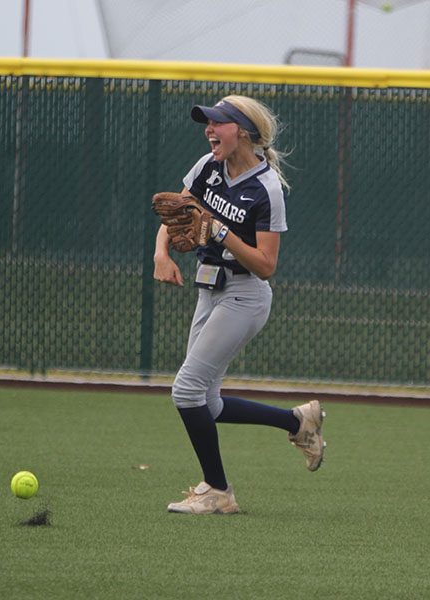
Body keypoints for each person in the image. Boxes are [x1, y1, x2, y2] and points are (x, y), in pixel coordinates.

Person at [153, 94, 326, 515]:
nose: (209, 129)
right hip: (209, 290)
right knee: (205, 402)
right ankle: (298, 422)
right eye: (206, 123)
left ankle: (217, 490)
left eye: (217, 123)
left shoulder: (266, 188)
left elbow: (266, 266)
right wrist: (161, 253)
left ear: (242, 132)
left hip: (245, 296)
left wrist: (219, 232)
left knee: (186, 389)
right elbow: (175, 212)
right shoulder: (207, 167)